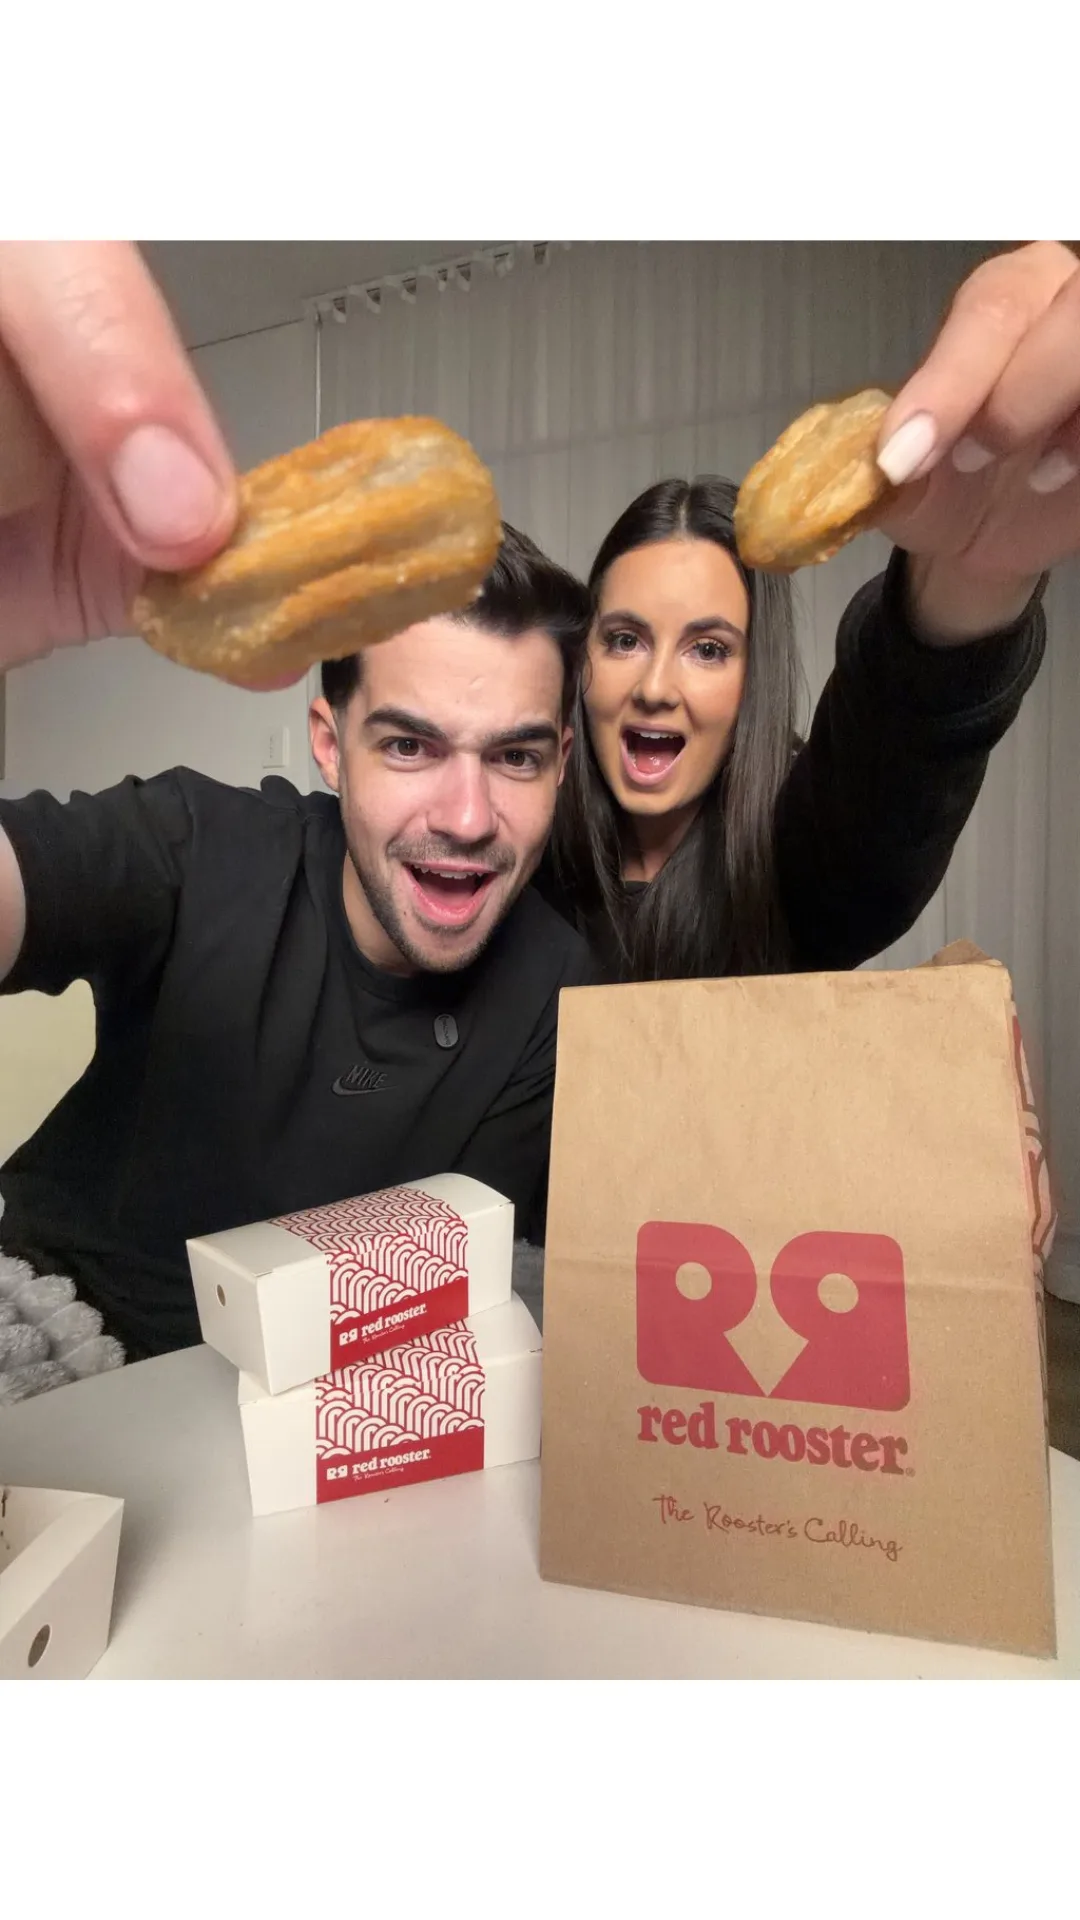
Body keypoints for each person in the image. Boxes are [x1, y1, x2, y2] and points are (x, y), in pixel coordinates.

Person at [0, 522, 594, 1359]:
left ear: (561, 763)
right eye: (409, 746)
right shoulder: (198, 847)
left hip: (318, 1391)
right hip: (52, 1329)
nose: (467, 818)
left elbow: (449, 1298)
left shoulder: (557, 991)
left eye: (516, 758)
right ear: (330, 746)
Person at [544, 242, 1080, 980]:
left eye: (709, 649)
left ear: (754, 675)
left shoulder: (801, 864)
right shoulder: (517, 851)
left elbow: (896, 751)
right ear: (584, 661)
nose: (656, 686)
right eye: (626, 639)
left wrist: (973, 575)